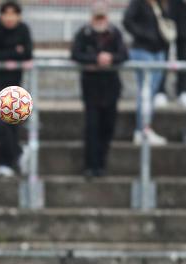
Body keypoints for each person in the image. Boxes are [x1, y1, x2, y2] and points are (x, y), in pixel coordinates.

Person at [71, 2, 128, 179]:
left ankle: (101, 164)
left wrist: (110, 58)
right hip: (91, 90)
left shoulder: (114, 34)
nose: (100, 20)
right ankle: (90, 165)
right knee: (92, 128)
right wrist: (95, 59)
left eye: (102, 17)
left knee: (107, 128)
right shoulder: (84, 34)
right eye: (97, 17)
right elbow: (75, 54)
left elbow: (124, 55)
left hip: (111, 89)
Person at [0, 1, 33, 177]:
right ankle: (18, 152)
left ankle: (6, 163)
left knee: (11, 124)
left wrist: (9, 53)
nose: (10, 18)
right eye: (7, 13)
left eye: (14, 14)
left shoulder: (23, 30)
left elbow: (27, 53)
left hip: (15, 86)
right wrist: (15, 51)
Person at [124, 0, 174, 145]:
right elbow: (127, 21)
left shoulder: (159, 4)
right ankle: (142, 129)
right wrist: (144, 34)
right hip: (143, 51)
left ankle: (145, 128)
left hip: (158, 51)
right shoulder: (138, 3)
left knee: (151, 91)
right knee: (146, 91)